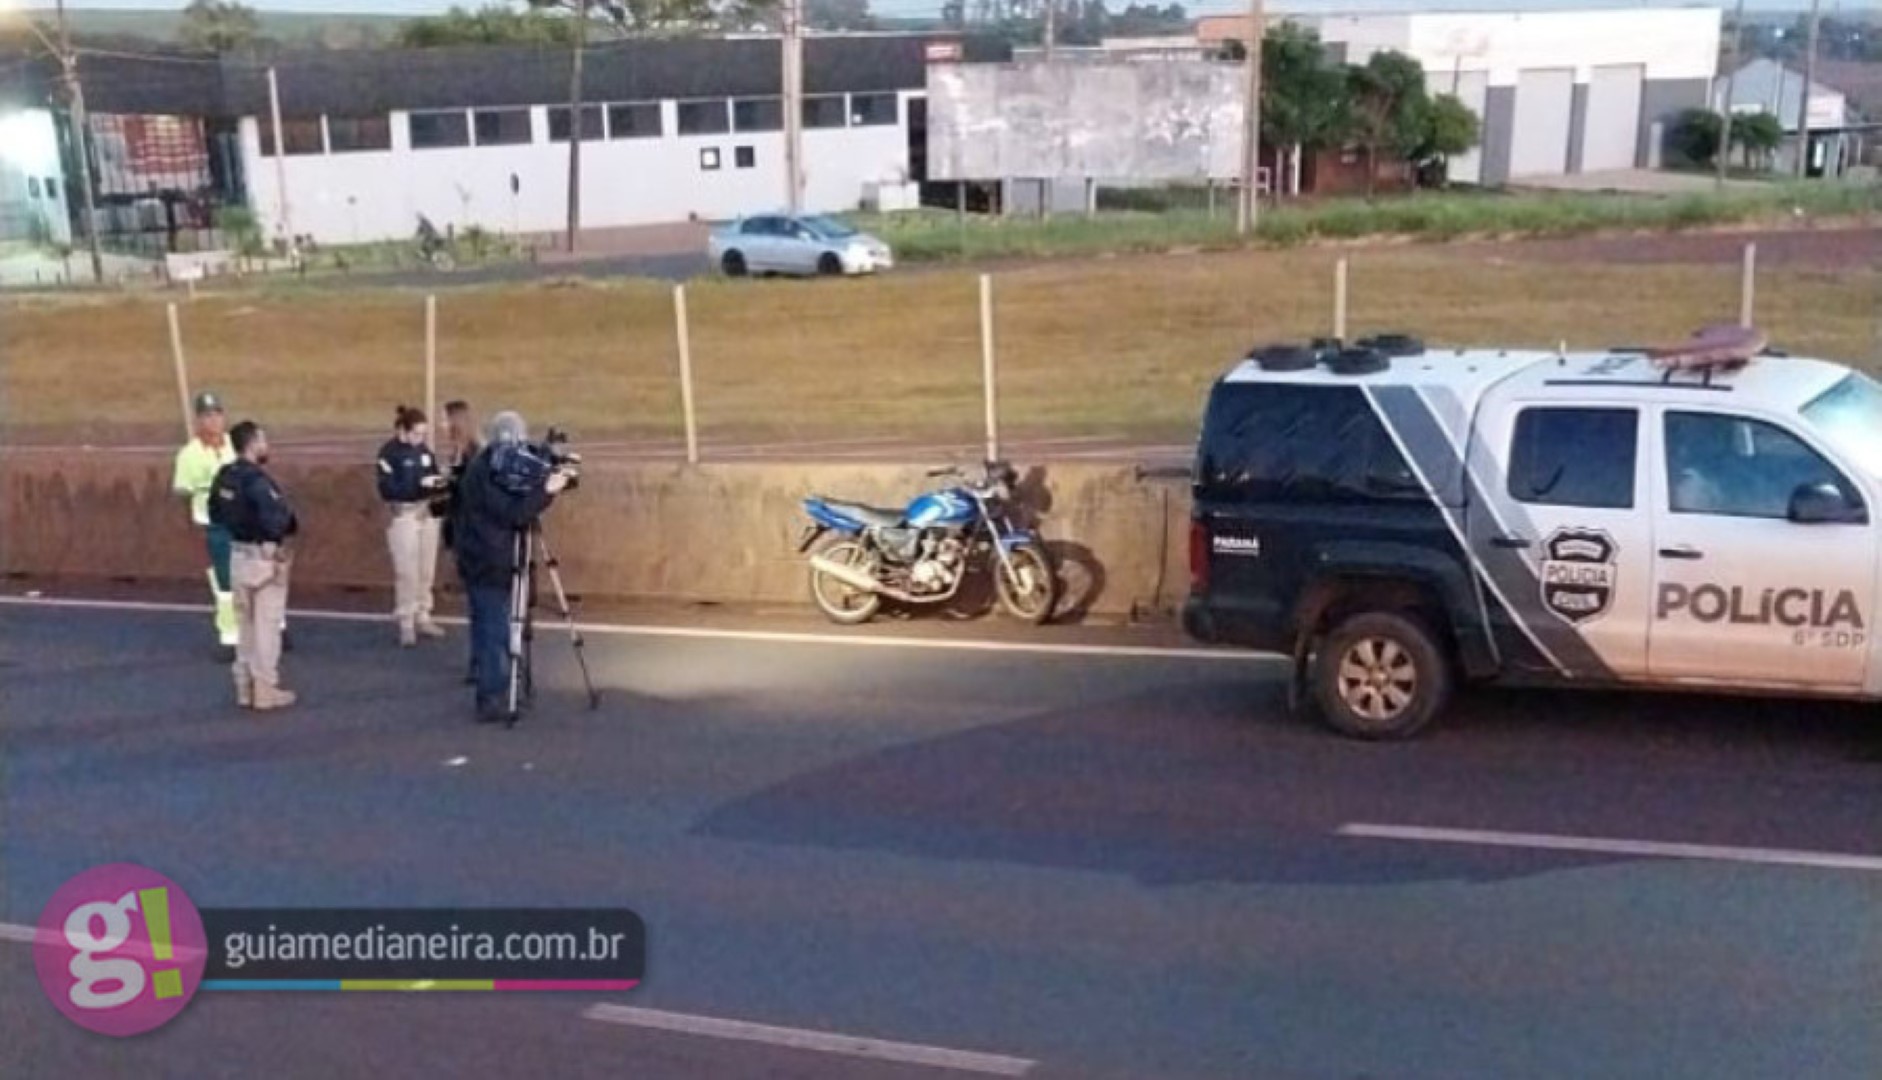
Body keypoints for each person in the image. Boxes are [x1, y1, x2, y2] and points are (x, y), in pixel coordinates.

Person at [453, 411, 572, 724]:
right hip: (488, 560)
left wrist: (547, 458)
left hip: (489, 556)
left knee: (491, 624)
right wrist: (547, 491)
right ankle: (492, 695)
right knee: (493, 627)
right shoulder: (484, 472)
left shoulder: (493, 461)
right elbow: (514, 513)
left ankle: (498, 682)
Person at [209, 421, 299, 711]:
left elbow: (214, 511)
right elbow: (277, 519)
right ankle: (265, 688)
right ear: (252, 444)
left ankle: (243, 685)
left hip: (236, 554)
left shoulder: (225, 477)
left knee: (244, 627)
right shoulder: (257, 481)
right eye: (262, 440)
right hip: (262, 557)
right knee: (266, 627)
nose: (266, 445)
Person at [172, 391, 237, 657]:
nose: (213, 421)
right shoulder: (190, 454)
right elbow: (183, 489)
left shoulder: (235, 445)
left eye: (217, 415)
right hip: (212, 524)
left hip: (243, 521)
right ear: (199, 420)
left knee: (258, 575)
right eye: (207, 416)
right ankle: (230, 635)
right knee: (223, 582)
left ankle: (274, 627)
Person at [377, 405, 447, 647]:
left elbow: (434, 472)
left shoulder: (424, 451)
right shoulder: (388, 454)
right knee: (407, 570)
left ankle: (423, 613)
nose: (419, 439)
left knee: (426, 567)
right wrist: (418, 487)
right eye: (416, 434)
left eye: (423, 434)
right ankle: (406, 620)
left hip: (426, 513)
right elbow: (388, 489)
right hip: (404, 514)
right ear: (403, 431)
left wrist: (436, 484)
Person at [434, 400, 481, 680]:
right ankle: (479, 661)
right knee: (476, 606)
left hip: (471, 538)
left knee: (481, 606)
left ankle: (482, 663)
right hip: (462, 535)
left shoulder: (471, 455)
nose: (440, 425)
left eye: (444, 419)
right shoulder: (461, 453)